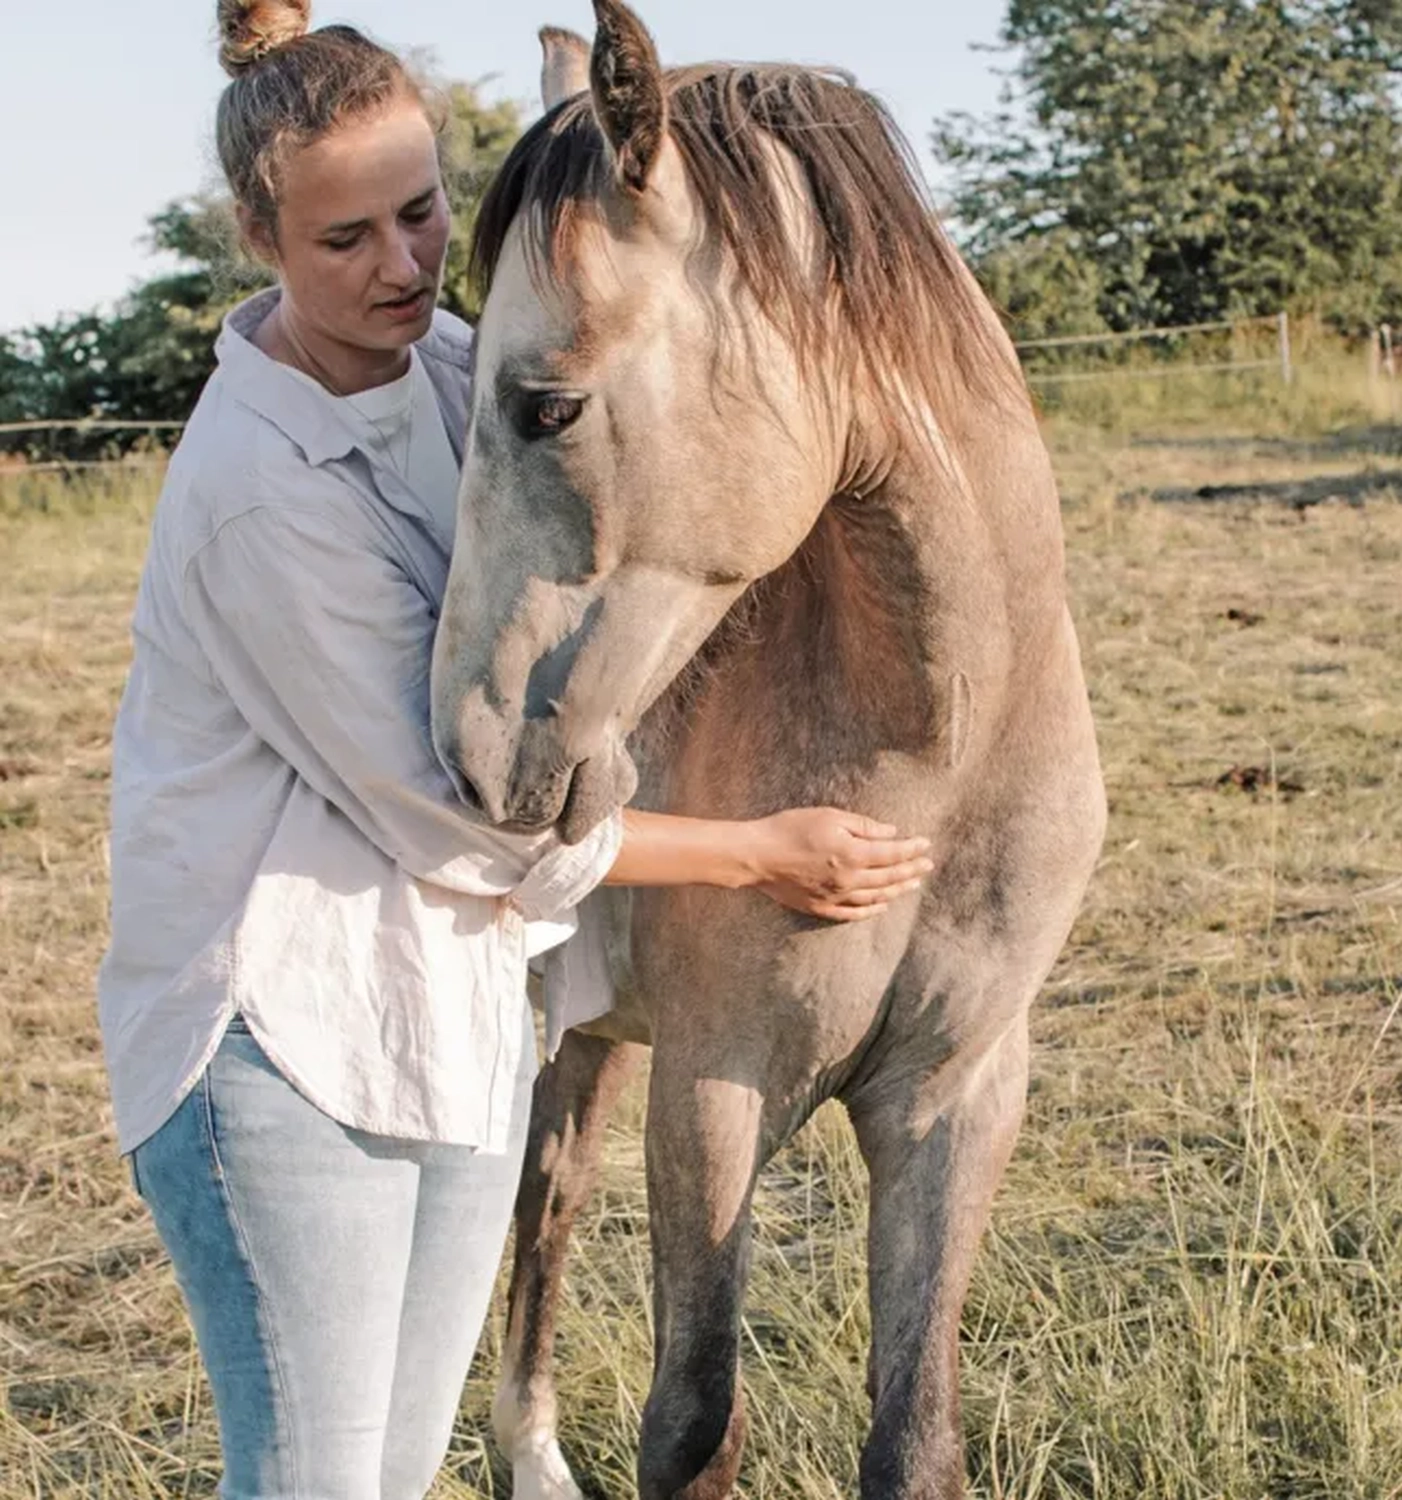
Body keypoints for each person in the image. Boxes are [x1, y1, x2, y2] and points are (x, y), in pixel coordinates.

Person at [97, 3, 934, 1495]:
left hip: (455, 1010)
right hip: (281, 1044)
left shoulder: (455, 376)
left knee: (395, 1468)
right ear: (257, 238)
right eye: (343, 239)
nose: (403, 266)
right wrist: (752, 846)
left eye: (421, 215)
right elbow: (467, 826)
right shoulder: (259, 497)